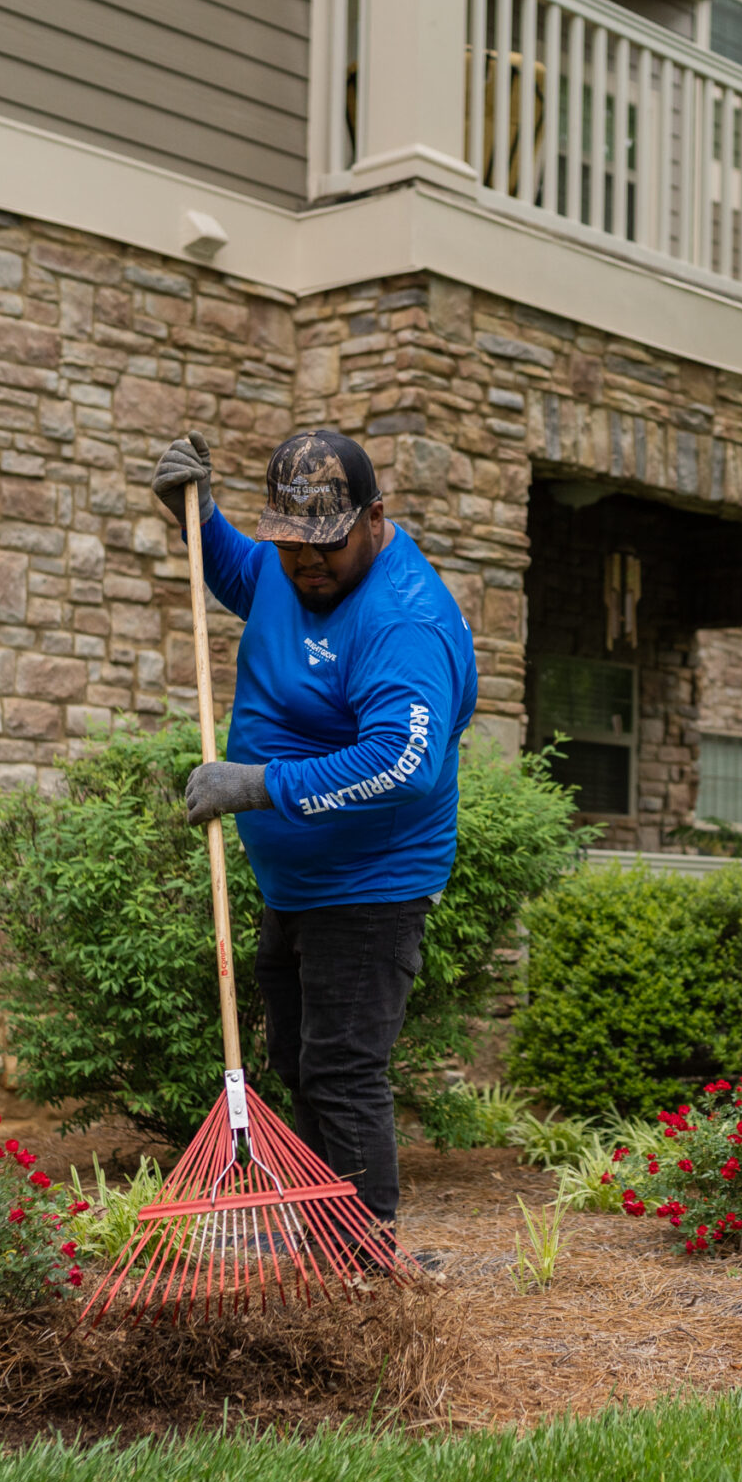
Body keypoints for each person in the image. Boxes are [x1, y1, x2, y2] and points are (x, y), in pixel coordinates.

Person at [150, 427, 477, 1245]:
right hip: (295, 883)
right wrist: (195, 516)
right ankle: (320, 1230)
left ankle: (364, 1253)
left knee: (341, 1071)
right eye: (291, 546)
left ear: (373, 518)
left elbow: (404, 766)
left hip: (372, 886)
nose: (307, 566)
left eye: (325, 547)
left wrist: (256, 784)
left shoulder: (405, 621)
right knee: (301, 1064)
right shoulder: (288, 562)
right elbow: (243, 575)